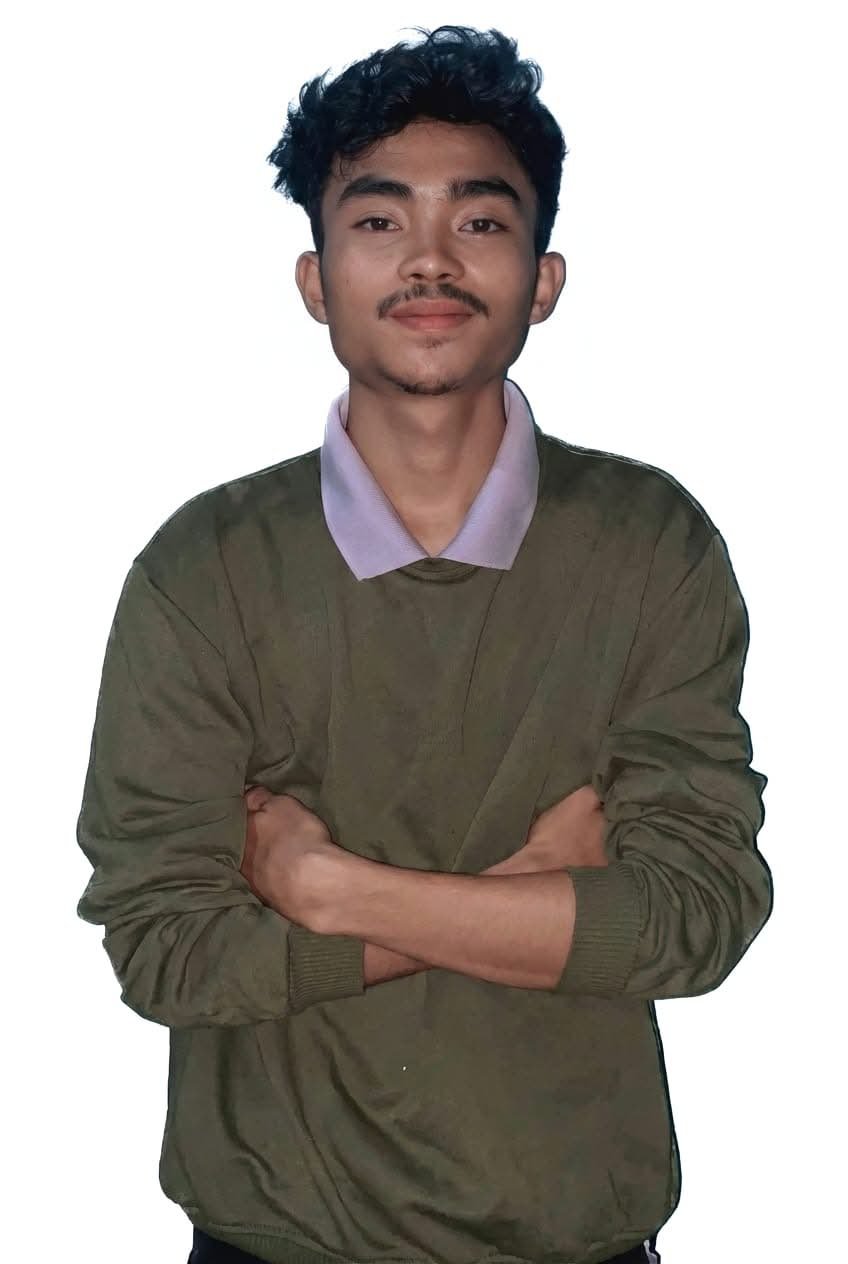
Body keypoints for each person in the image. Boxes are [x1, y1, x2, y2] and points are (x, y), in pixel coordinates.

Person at [75, 24, 773, 1264]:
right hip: (273, 1241)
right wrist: (527, 897)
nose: (431, 259)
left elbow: (691, 916)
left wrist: (329, 890)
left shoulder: (648, 545)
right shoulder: (202, 571)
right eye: (380, 220)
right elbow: (167, 950)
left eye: (480, 220)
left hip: (577, 1240)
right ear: (315, 279)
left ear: (543, 280)